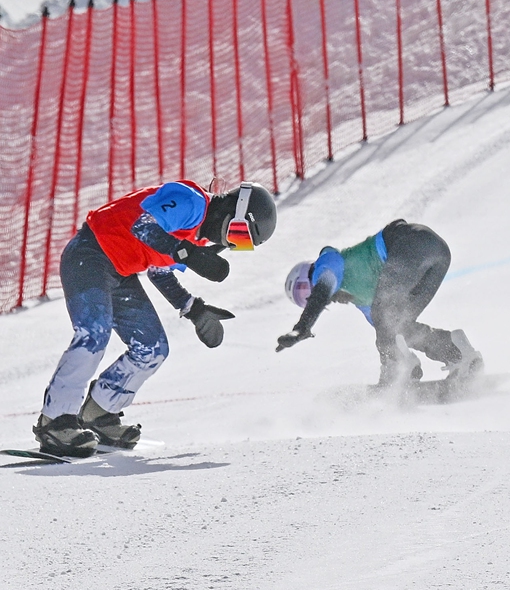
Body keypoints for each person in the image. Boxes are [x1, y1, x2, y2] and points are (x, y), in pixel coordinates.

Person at [36, 180, 278, 458]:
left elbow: (159, 270)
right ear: (234, 210)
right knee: (94, 334)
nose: (228, 242)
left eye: (241, 244)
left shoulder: (195, 237)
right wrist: (189, 254)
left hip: (119, 272)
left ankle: (99, 413)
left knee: (153, 348)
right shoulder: (190, 200)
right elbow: (143, 226)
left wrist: (194, 309)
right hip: (90, 254)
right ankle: (55, 421)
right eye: (238, 233)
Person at [276, 219, 483, 392]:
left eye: (305, 291)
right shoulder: (364, 299)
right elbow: (391, 333)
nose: (309, 298)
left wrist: (302, 327)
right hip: (438, 257)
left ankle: (398, 372)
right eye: (302, 299)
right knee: (397, 326)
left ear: (310, 273)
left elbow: (322, 290)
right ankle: (458, 351)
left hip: (412, 241)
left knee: (384, 315)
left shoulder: (328, 262)